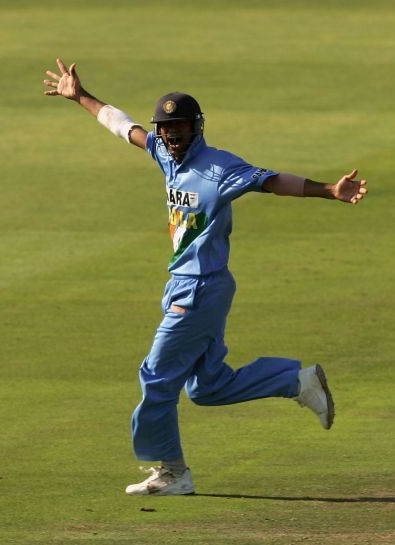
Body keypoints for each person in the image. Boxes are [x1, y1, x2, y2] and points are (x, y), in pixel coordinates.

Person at [43, 58, 368, 496]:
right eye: (167, 134)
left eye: (180, 134)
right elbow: (123, 126)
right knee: (207, 387)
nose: (172, 141)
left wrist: (329, 189)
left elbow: (272, 181)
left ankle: (173, 473)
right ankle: (295, 380)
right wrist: (80, 95)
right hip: (187, 284)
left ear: (197, 129)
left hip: (200, 288)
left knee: (157, 377)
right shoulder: (163, 153)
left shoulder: (219, 168)